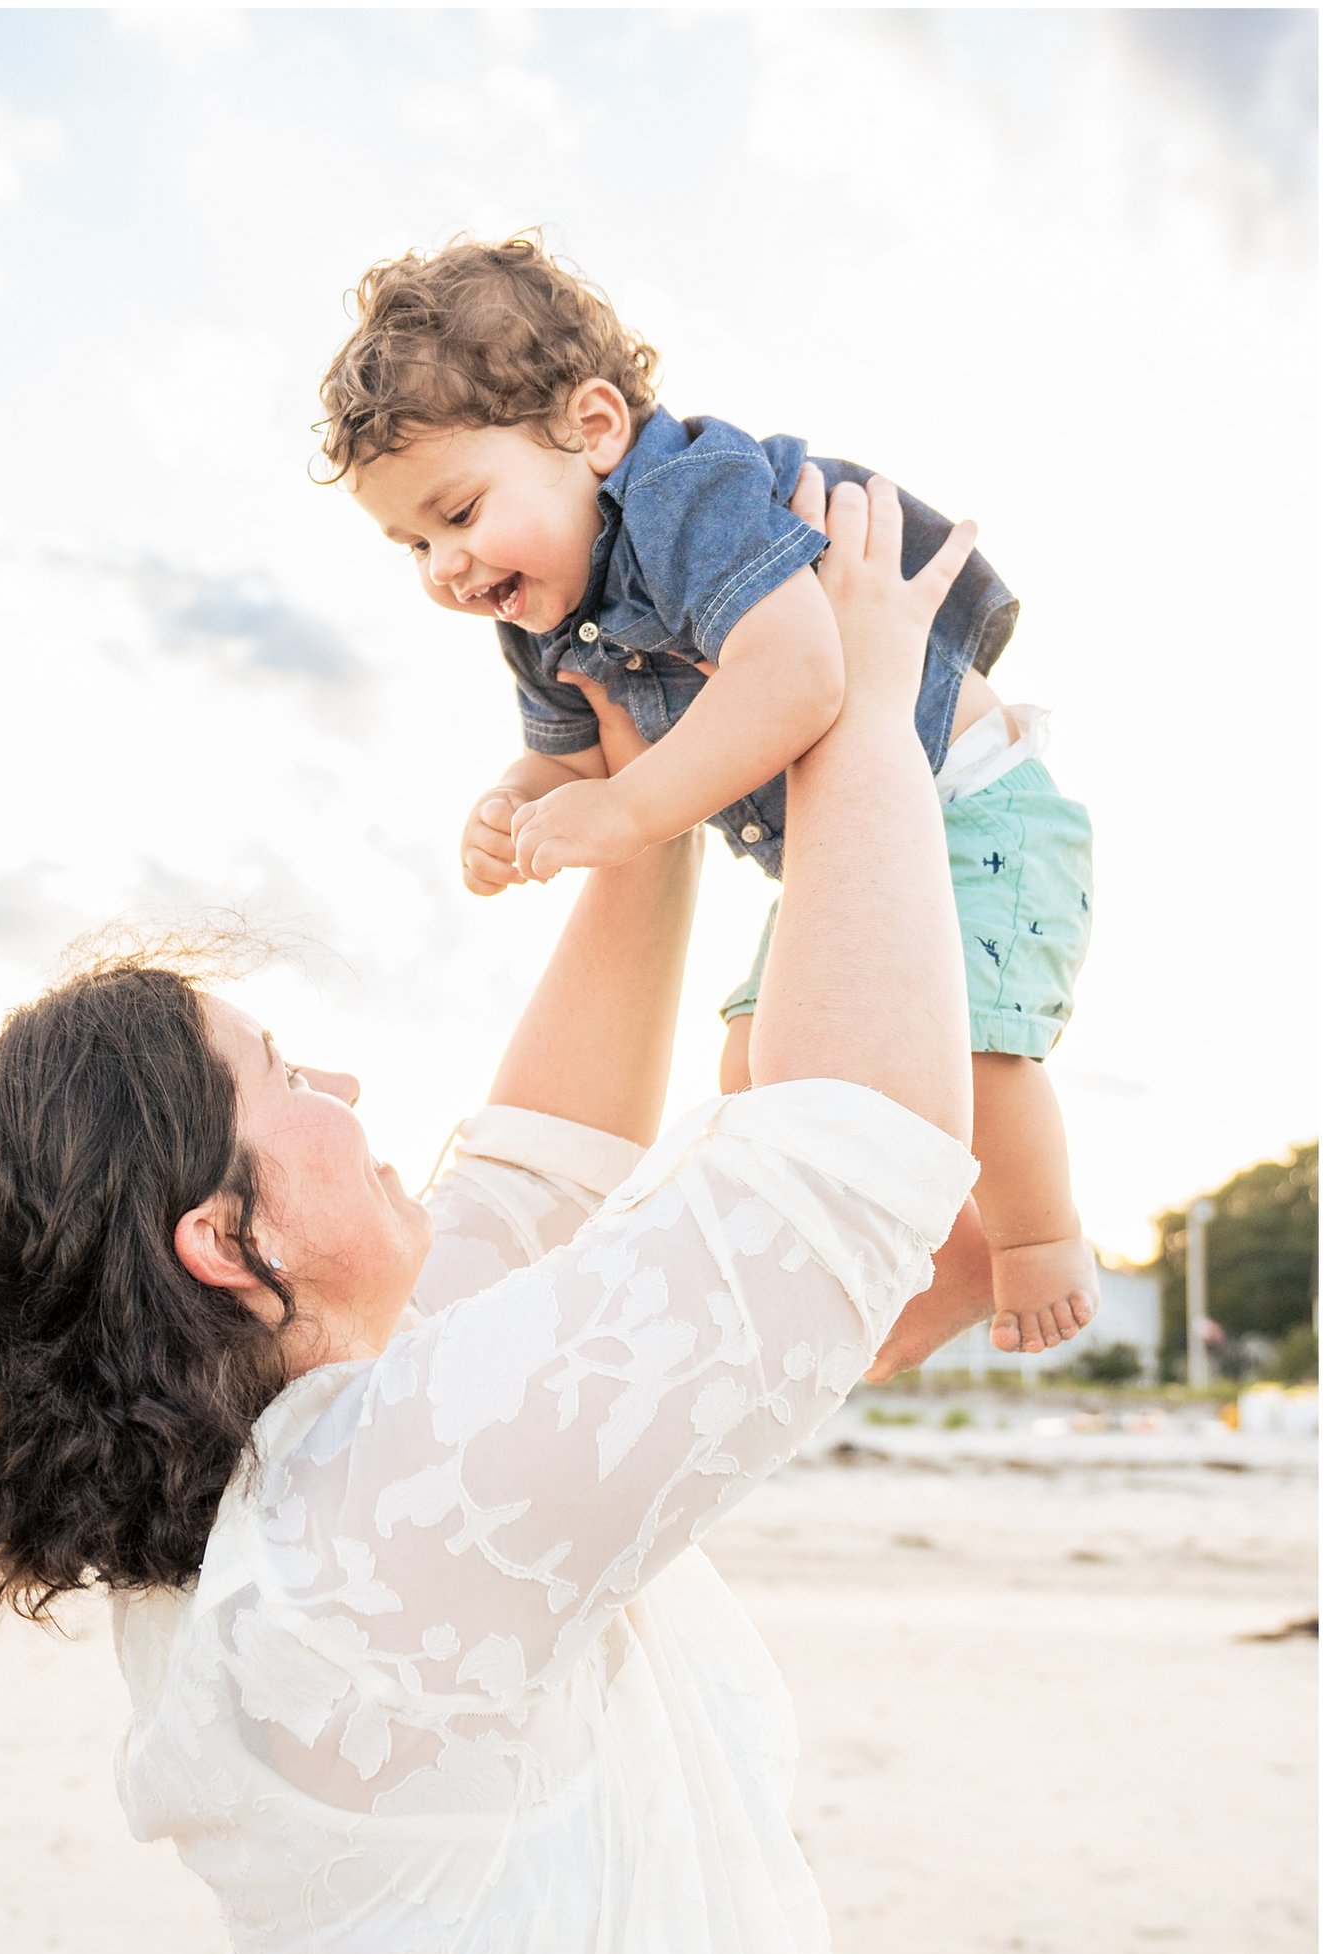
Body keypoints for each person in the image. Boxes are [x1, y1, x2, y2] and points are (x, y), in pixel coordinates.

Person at [0, 479, 981, 1954]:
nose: (339, 1081)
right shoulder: (363, 1532)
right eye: (281, 1074)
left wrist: (641, 814)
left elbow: (536, 1179)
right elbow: (849, 1157)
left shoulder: (282, 1480)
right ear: (223, 1239)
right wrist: (864, 700)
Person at [319, 234, 1096, 1361]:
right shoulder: (536, 615)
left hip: (967, 800)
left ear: (592, 428)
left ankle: (1031, 1243)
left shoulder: (690, 494)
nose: (445, 562)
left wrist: (630, 814)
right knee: (752, 1060)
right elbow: (578, 762)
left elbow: (799, 670)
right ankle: (936, 1250)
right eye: (413, 543)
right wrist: (512, 801)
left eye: (460, 508)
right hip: (848, 839)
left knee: (974, 1038)